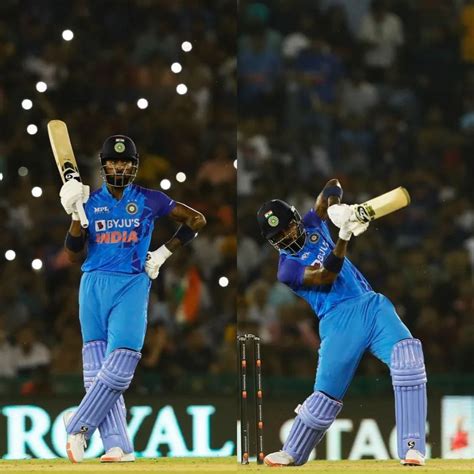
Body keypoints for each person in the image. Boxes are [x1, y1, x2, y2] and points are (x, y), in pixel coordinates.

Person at [256, 179, 427, 467]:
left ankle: (413, 447)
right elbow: (326, 277)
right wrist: (344, 234)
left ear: (296, 219)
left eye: (287, 227)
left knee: (409, 360)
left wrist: (336, 210)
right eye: (278, 235)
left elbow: (332, 186)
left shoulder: (313, 222)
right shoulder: (287, 269)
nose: (286, 236)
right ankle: (293, 451)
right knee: (326, 396)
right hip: (337, 320)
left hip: (371, 305)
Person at [58, 135, 206, 463]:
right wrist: (74, 214)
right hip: (92, 283)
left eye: (125, 162)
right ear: (104, 165)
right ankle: (118, 446)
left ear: (134, 166)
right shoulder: (87, 201)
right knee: (95, 373)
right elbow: (72, 256)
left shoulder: (150, 199)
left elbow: (197, 220)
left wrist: (163, 253)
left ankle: (78, 423)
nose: (119, 167)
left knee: (121, 367)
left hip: (132, 283)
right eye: (113, 161)